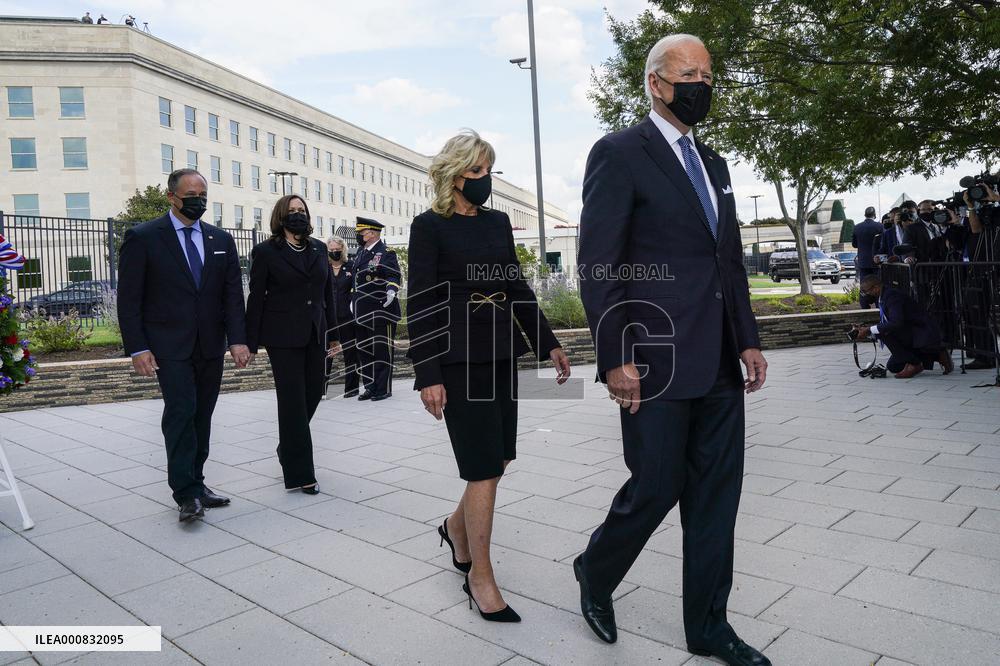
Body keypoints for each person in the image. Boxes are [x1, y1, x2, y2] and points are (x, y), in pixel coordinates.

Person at [575, 34, 770, 666]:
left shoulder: (715, 164)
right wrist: (614, 356)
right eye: (690, 75)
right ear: (656, 83)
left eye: (709, 76)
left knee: (716, 498)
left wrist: (748, 339)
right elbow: (599, 264)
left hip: (718, 362)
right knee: (656, 486)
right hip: (653, 359)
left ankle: (709, 626)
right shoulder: (618, 153)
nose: (701, 86)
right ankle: (595, 570)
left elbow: (728, 261)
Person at [407, 130, 571, 624]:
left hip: (500, 353)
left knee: (499, 458)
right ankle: (481, 576)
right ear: (454, 175)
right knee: (482, 469)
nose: (484, 179)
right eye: (476, 171)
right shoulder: (428, 226)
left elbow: (516, 286)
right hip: (458, 360)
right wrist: (428, 374)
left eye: (488, 170)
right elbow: (421, 303)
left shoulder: (498, 223)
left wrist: (548, 342)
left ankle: (455, 529)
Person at [117, 168, 250, 522]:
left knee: (202, 414)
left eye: (203, 196)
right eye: (191, 196)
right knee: (181, 412)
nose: (198, 202)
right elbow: (129, 299)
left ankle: (198, 482)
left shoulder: (221, 239)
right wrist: (137, 348)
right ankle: (185, 493)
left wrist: (238, 340)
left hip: (210, 345)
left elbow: (232, 295)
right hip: (168, 346)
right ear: (171, 197)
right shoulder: (144, 237)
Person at [245, 195, 339, 495]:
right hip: (282, 337)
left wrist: (334, 333)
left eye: (302, 210)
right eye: (292, 211)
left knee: (313, 393)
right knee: (292, 403)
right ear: (281, 216)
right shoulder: (265, 252)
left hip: (315, 332)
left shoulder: (319, 249)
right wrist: (250, 342)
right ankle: (302, 474)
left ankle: (287, 447)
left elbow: (328, 293)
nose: (298, 214)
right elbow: (256, 297)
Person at [856, 274, 953, 378]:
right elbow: (887, 321)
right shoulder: (883, 296)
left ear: (876, 288)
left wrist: (870, 329)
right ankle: (937, 355)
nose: (865, 295)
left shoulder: (892, 296)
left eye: (866, 291)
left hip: (920, 332)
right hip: (909, 332)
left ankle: (915, 364)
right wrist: (866, 330)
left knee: (882, 333)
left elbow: (896, 322)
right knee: (893, 366)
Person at [349, 218, 400, 401]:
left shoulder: (386, 252)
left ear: (372, 233)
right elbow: (356, 280)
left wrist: (391, 290)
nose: (359, 236)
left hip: (381, 310)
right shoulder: (361, 253)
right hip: (361, 311)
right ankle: (370, 387)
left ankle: (383, 388)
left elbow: (393, 275)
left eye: (361, 233)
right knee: (365, 351)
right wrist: (353, 299)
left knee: (381, 351)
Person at [325, 234, 359, 398]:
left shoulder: (351, 266)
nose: (334, 252)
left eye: (337, 249)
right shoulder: (323, 266)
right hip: (327, 318)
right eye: (331, 249)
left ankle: (352, 389)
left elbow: (356, 290)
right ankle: (320, 390)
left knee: (351, 353)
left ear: (343, 249)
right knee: (326, 355)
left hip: (346, 317)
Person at [851, 206, 881, 308]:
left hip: (863, 261)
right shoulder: (879, 226)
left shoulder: (857, 227)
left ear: (865, 215)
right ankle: (878, 304)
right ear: (874, 215)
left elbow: (854, 244)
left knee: (864, 284)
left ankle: (864, 305)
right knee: (878, 283)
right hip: (876, 261)